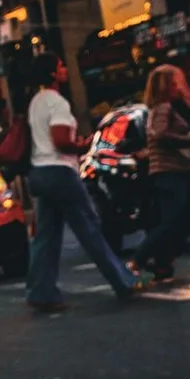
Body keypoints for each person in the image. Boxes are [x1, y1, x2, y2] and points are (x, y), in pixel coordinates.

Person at [24, 52, 142, 314]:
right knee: (89, 228)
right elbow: (61, 141)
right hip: (60, 172)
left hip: (40, 173)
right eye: (61, 66)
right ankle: (122, 281)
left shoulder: (36, 102)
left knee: (47, 236)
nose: (65, 69)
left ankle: (41, 292)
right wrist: (85, 144)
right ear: (53, 73)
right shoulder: (57, 103)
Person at [140, 62, 190, 285]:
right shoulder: (164, 108)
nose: (179, 86)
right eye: (175, 82)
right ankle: (138, 260)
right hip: (171, 170)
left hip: (180, 170)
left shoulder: (163, 108)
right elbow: (160, 133)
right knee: (172, 222)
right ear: (167, 85)